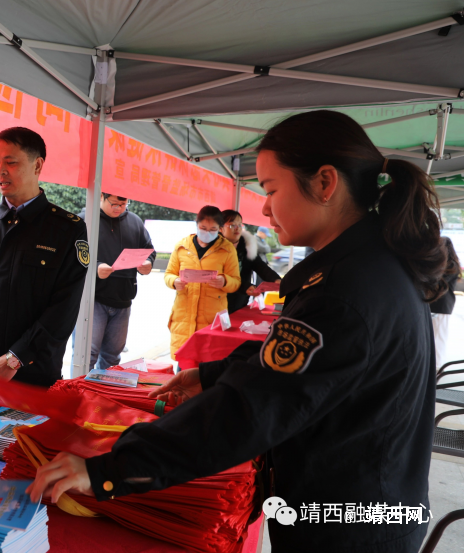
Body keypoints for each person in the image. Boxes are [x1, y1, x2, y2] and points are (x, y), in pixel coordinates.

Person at [27, 110, 445, 553]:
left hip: (350, 526)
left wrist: (106, 470)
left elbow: (251, 410)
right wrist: (210, 375)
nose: (263, 207)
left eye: (270, 189)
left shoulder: (347, 288)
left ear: (325, 183)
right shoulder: (369, 264)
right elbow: (300, 364)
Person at [0, 127, 88, 420]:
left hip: (33, 374)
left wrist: (14, 359)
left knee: (28, 457)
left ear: (37, 165)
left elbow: (64, 309)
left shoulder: (66, 229)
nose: (0, 171)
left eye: (11, 162)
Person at [78, 193, 155, 370]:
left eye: (123, 204)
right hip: (92, 299)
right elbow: (72, 254)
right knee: (86, 355)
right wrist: (95, 268)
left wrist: (148, 263)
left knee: (113, 357)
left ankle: (103, 394)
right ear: (101, 197)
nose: (118, 209)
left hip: (123, 300)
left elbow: (149, 249)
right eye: (114, 204)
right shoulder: (85, 220)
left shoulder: (134, 221)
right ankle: (80, 394)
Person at [163, 206, 240, 359]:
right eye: (203, 228)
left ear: (220, 228)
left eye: (213, 229)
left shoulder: (228, 249)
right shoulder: (181, 247)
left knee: (207, 366)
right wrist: (174, 282)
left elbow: (236, 282)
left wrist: (224, 281)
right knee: (184, 366)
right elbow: (168, 275)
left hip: (212, 317)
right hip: (183, 316)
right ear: (196, 224)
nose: (207, 232)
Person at [220, 210, 280, 313]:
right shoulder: (214, 248)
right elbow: (223, 276)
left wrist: (276, 280)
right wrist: (245, 286)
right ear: (220, 228)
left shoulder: (247, 245)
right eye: (232, 225)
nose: (237, 228)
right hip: (218, 301)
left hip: (240, 301)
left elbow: (260, 266)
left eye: (239, 224)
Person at [430, 237, 460, 371]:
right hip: (440, 305)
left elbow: (439, 283)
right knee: (436, 336)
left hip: (442, 305)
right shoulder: (449, 263)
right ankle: (434, 365)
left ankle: (437, 366)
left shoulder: (450, 264)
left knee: (439, 337)